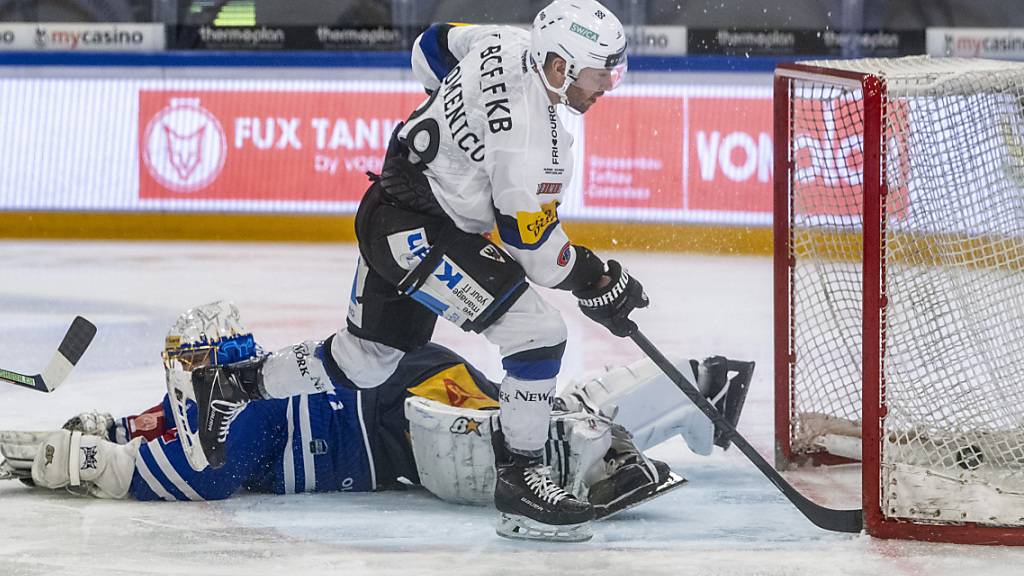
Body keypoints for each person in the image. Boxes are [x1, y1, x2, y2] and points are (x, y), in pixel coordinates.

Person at [190, 0, 645, 542]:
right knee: (538, 335)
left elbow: (429, 46)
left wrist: (454, 134)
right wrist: (598, 280)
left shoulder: (502, 42)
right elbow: (537, 251)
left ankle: (233, 384)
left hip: (386, 203)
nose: (609, 86)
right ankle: (521, 478)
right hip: (420, 235)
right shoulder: (537, 143)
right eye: (600, 73)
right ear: (560, 65)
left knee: (366, 361)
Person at [0, 301, 753, 542]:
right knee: (513, 417)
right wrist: (103, 426)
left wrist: (83, 464)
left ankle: (600, 449)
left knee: (480, 442)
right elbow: (158, 424)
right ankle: (687, 388)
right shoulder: (210, 398)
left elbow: (209, 474)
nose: (181, 377)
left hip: (394, 406)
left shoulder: (239, 415)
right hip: (395, 397)